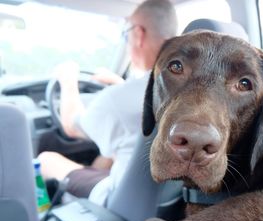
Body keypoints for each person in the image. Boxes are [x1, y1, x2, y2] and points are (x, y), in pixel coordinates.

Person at [38, 0, 178, 206]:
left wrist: (68, 80)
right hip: (166, 203)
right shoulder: (187, 90)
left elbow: (71, 126)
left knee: (45, 160)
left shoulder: (117, 98)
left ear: (139, 34)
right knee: (108, 155)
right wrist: (119, 84)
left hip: (119, 200)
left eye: (127, 33)